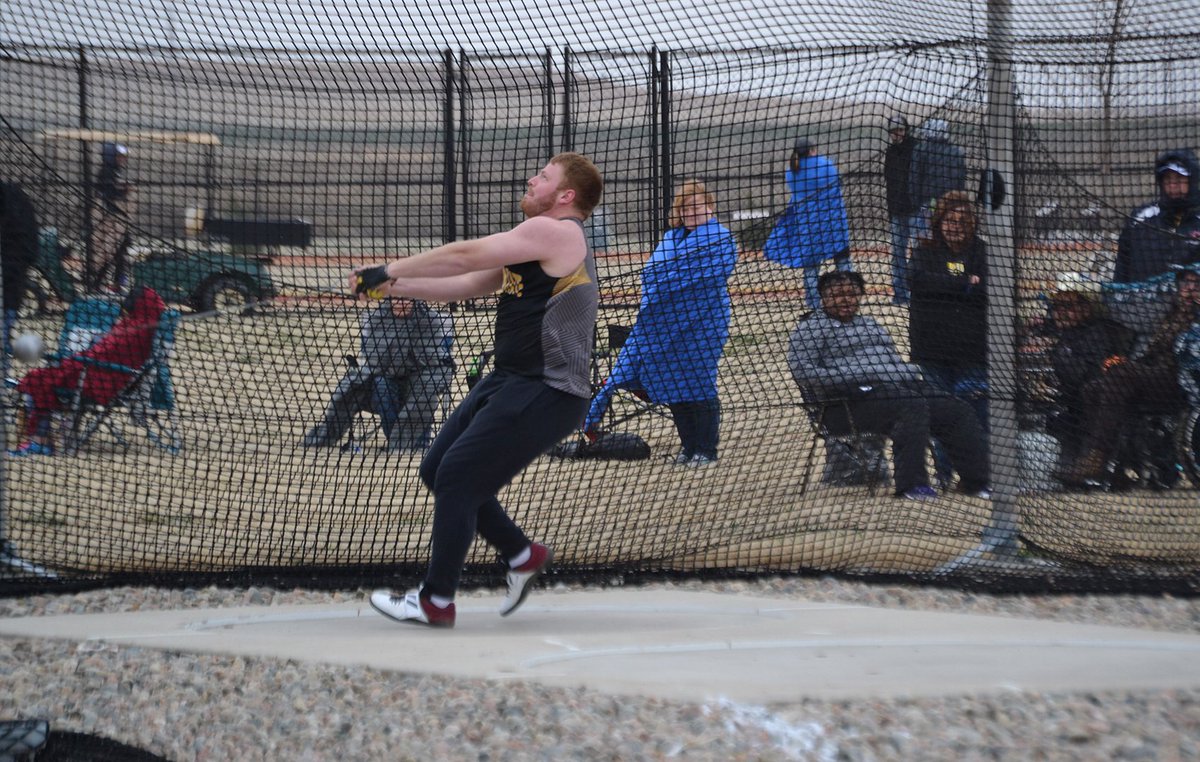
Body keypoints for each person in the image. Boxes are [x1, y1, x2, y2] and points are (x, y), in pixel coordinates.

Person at [349, 151, 603, 629]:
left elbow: (463, 254)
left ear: (565, 195)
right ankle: (521, 555)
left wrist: (387, 269)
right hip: (509, 380)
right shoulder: (534, 247)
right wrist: (395, 288)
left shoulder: (557, 231)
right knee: (438, 469)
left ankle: (435, 601)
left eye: (543, 176)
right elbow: (464, 283)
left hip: (547, 389)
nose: (532, 179)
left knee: (460, 478)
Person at [787, 270, 989, 500]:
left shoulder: (871, 325)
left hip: (894, 390)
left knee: (955, 408)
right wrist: (855, 377)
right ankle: (913, 486)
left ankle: (977, 482)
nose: (845, 300)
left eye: (852, 294)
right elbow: (803, 373)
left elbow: (893, 362)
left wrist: (906, 373)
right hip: (841, 406)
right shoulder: (809, 329)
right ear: (823, 297)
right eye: (837, 295)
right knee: (909, 407)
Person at [581, 179, 737, 465]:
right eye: (686, 208)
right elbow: (652, 275)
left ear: (711, 208)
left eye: (698, 206)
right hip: (661, 325)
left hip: (701, 323)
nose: (692, 212)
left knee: (698, 384)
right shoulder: (669, 240)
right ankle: (689, 447)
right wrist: (665, 286)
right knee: (674, 384)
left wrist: (669, 284)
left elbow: (709, 276)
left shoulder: (721, 239)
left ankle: (706, 450)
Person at [1057, 266, 1200, 486]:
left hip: (1184, 383)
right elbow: (1154, 354)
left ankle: (1098, 460)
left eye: (1196, 284)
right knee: (1094, 388)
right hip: (1158, 377)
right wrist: (1130, 363)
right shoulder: (1173, 312)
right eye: (1185, 284)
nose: (1190, 289)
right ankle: (1107, 466)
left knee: (1120, 374)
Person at [9, 286, 165, 456]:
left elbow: (103, 353)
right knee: (40, 378)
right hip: (97, 373)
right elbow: (102, 351)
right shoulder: (136, 325)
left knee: (37, 381)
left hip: (103, 381)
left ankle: (40, 442)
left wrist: (75, 361)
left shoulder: (137, 330)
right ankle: (40, 439)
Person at [302, 297, 454, 453]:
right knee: (377, 384)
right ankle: (398, 442)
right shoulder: (376, 318)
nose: (401, 302)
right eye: (396, 298)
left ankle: (415, 441)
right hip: (385, 379)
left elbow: (430, 361)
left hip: (418, 379)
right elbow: (374, 362)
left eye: (406, 298)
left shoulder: (429, 319)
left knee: (427, 386)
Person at [908, 191, 989, 428]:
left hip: (973, 350)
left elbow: (988, 287)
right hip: (932, 349)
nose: (956, 227)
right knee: (941, 422)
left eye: (962, 222)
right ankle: (943, 467)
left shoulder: (981, 251)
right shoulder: (925, 249)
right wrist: (964, 283)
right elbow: (916, 280)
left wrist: (943, 285)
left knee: (975, 418)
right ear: (939, 221)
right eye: (950, 221)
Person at [1042, 286, 1135, 464]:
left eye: (1067, 306)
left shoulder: (1097, 332)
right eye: (1056, 306)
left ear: (1086, 308)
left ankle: (1088, 466)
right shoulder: (1065, 334)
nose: (1060, 312)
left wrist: (1058, 353)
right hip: (1072, 402)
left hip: (1093, 405)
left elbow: (1084, 374)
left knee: (1065, 420)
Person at [763, 137, 853, 311]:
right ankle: (849, 297)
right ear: (812, 149)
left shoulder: (792, 170)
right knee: (843, 263)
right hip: (832, 225)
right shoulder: (825, 164)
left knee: (811, 268)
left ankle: (814, 305)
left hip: (807, 227)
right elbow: (837, 184)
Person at [1112, 149, 1200, 284]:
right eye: (1167, 180)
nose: (1172, 186)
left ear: (1191, 181)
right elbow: (1122, 268)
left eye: (1179, 179)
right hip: (1144, 302)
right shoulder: (1140, 219)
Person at [883, 114, 919, 305]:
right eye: (893, 131)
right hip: (897, 211)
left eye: (900, 130)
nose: (897, 134)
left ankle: (917, 292)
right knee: (897, 253)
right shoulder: (891, 153)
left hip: (915, 209)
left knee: (918, 253)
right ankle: (900, 294)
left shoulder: (916, 149)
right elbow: (889, 182)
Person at [88, 142, 133, 293]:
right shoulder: (106, 172)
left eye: (123, 156)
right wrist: (123, 191)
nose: (122, 159)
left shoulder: (116, 171)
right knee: (109, 253)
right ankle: (98, 283)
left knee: (121, 253)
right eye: (119, 156)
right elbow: (109, 194)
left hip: (118, 219)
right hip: (109, 220)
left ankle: (118, 282)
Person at [1, 181, 39, 357]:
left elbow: (29, 249)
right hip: (13, 285)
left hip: (10, 285)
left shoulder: (13, 198)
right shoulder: (16, 196)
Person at [908, 118, 966, 231]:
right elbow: (961, 181)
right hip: (951, 204)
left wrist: (915, 203)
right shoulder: (956, 152)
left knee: (925, 238)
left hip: (927, 204)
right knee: (947, 234)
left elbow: (914, 179)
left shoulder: (920, 150)